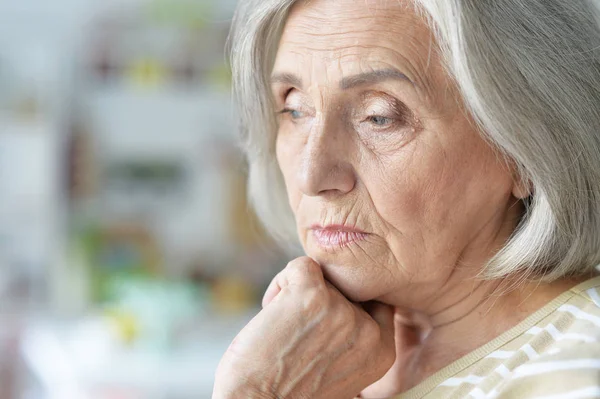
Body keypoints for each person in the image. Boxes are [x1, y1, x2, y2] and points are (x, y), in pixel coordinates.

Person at [213, 0, 600, 397]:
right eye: (295, 110)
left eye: (380, 117)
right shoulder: (315, 365)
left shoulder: (576, 376)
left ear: (525, 153)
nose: (310, 176)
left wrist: (259, 391)